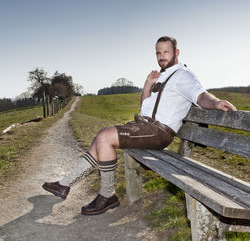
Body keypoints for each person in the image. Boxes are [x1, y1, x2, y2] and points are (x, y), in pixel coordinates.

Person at [43, 36, 237, 215]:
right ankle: (65, 184)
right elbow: (146, 106)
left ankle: (107, 195)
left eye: (166, 52)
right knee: (99, 139)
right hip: (145, 126)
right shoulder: (161, 76)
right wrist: (147, 84)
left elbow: (201, 95)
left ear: (177, 53)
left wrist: (216, 102)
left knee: (105, 137)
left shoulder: (184, 76)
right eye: (158, 53)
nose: (161, 57)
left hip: (159, 132)